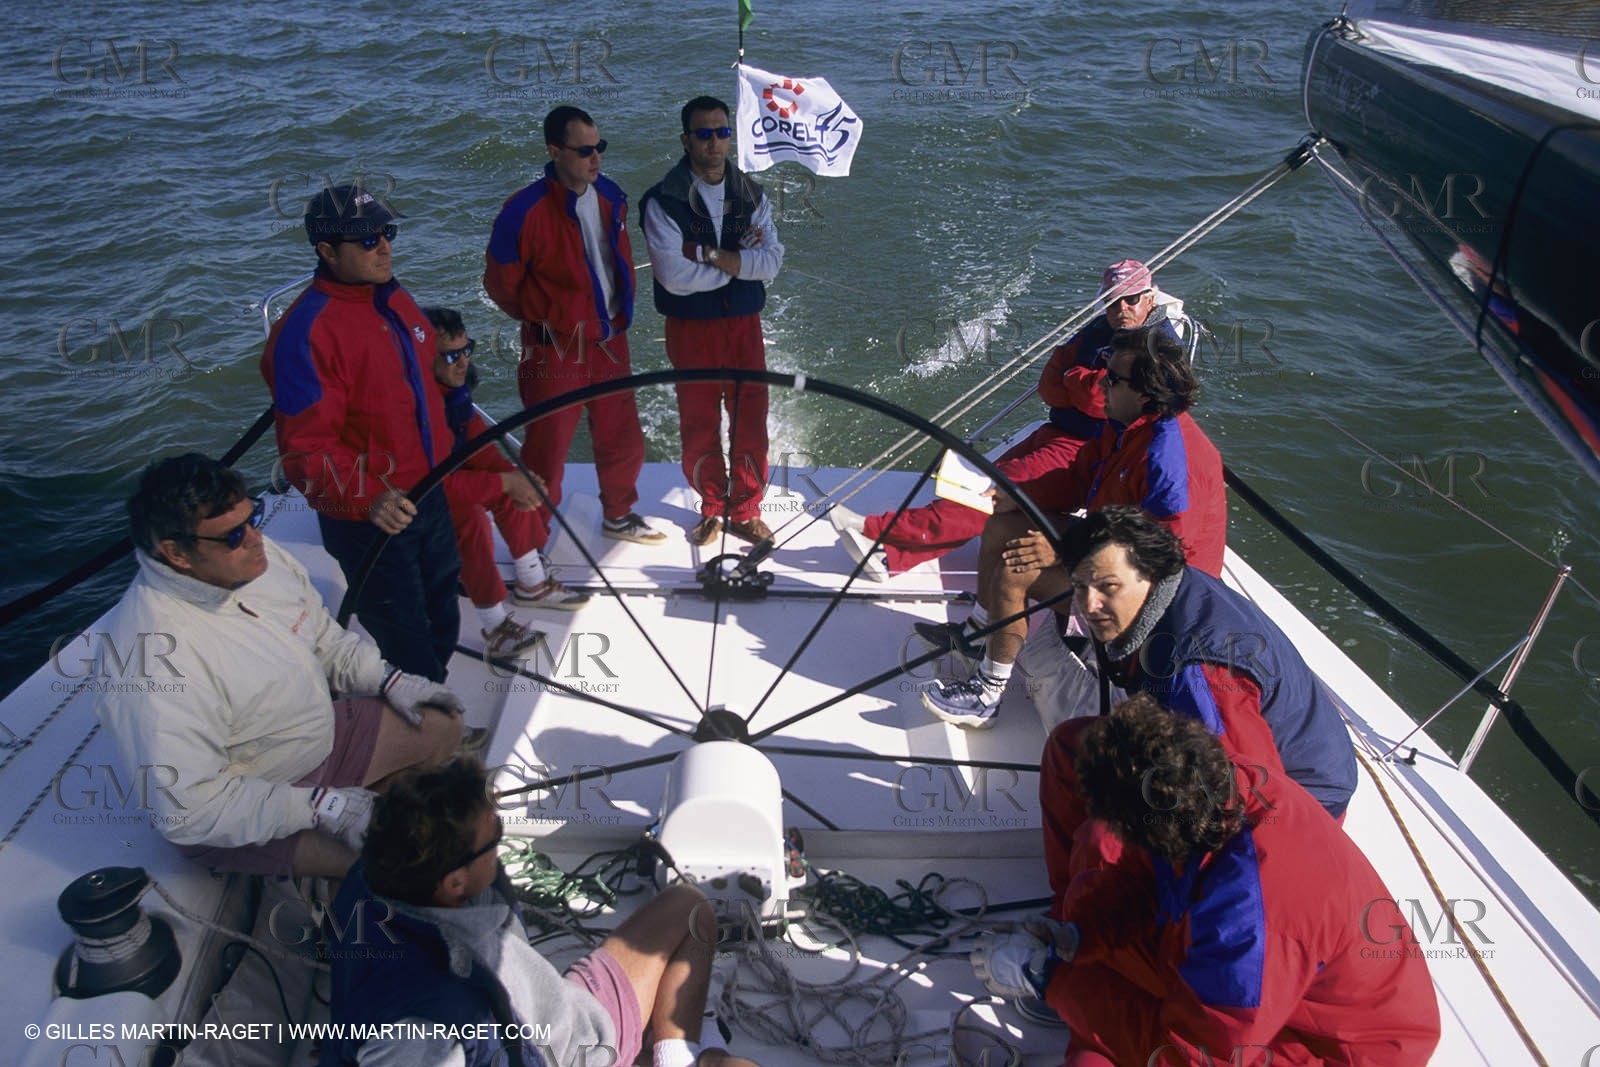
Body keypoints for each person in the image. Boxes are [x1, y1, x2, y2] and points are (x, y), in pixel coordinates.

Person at [981, 694, 1439, 1066]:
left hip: (1331, 1049)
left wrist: (1051, 980)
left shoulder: (1251, 922)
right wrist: (1079, 935)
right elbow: (1144, 879)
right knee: (1097, 967)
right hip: (1263, 992)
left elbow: (1188, 1058)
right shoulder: (1210, 784)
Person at [92, 454, 465, 879]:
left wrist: (388, 679)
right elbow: (190, 809)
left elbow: (322, 638)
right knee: (400, 866)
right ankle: (345, 862)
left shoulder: (256, 558)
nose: (255, 539)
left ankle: (363, 819)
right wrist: (321, 806)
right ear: (176, 553)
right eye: (233, 535)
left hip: (319, 746)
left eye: (253, 517)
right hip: (244, 805)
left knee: (443, 722)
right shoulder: (152, 661)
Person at [325, 759, 760, 1067]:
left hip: (563, 1013)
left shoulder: (375, 876)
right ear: (454, 882)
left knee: (688, 907)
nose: (501, 845)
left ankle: (673, 1056)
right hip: (574, 1052)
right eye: (494, 837)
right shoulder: (421, 1032)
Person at [921, 327, 1225, 727]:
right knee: (1003, 525)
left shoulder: (1169, 461)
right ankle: (978, 636)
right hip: (1112, 549)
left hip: (1157, 597)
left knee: (1017, 570)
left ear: (1144, 393)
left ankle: (986, 696)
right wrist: (1019, 496)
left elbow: (1158, 556)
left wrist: (1068, 550)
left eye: (1112, 380)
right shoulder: (1125, 426)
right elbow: (1080, 479)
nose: (1101, 387)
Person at [831, 260, 1176, 580]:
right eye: (1112, 301)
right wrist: (1077, 384)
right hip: (1055, 431)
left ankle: (878, 530)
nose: (1121, 309)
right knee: (974, 483)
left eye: (1131, 299)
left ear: (1149, 297)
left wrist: (1073, 379)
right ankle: (893, 558)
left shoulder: (1154, 349)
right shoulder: (1099, 328)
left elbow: (1095, 400)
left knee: (991, 496)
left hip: (1085, 453)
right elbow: (1050, 386)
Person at [260, 184, 462, 682]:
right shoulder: (305, 336)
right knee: (407, 644)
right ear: (327, 251)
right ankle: (424, 720)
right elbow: (305, 452)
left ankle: (433, 702)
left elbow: (427, 382)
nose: (385, 247)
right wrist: (369, 496)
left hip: (431, 495)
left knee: (444, 615)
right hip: (372, 519)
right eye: (368, 240)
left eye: (386, 232)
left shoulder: (393, 297)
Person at [484, 105, 667, 547]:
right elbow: (500, 284)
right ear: (554, 151)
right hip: (554, 344)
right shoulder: (522, 211)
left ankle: (618, 515)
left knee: (622, 434)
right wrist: (546, 317)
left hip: (609, 337)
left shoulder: (611, 196)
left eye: (598, 146)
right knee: (546, 449)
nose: (595, 157)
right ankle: (531, 546)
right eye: (584, 150)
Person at [640, 95, 786, 547]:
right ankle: (711, 506)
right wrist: (740, 264)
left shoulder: (752, 194)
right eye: (704, 134)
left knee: (751, 418)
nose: (715, 143)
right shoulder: (662, 201)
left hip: (744, 325)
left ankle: (745, 510)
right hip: (691, 329)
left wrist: (712, 256)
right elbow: (674, 276)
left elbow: (772, 262)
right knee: (698, 420)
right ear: (686, 140)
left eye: (722, 132)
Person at [422, 307, 589, 659]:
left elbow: (479, 448)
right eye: (451, 356)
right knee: (470, 518)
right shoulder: (419, 407)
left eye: (467, 350)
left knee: (515, 480)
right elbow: (436, 485)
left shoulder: (453, 395)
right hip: (407, 496)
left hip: (440, 480)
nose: (463, 363)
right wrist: (505, 482)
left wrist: (517, 479)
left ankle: (532, 583)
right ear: (424, 357)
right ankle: (494, 624)